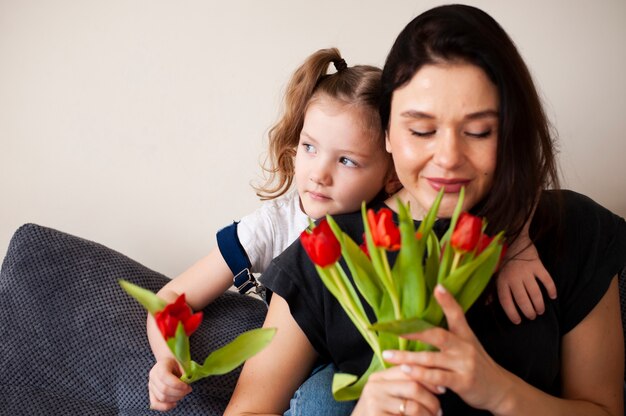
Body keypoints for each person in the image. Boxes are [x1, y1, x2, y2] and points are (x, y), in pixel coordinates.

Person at [224, 5, 626, 416]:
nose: (448, 158)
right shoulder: (325, 250)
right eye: (421, 130)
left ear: (511, 132)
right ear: (387, 133)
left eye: (478, 131)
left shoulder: (572, 230)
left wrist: (500, 392)